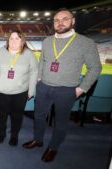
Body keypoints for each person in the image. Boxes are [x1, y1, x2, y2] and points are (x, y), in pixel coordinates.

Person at [22, 8, 102, 162]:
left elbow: (95, 67)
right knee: (39, 117)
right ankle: (37, 140)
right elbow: (42, 62)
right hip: (44, 87)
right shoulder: (47, 41)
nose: (60, 23)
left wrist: (81, 89)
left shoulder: (85, 43)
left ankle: (53, 147)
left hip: (66, 90)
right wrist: (39, 80)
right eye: (56, 20)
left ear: (73, 21)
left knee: (61, 121)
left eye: (65, 19)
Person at [0, 30, 38, 146]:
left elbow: (34, 72)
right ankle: (2, 133)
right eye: (11, 38)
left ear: (22, 40)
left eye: (17, 38)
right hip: (1, 92)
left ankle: (14, 135)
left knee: (17, 116)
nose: (14, 41)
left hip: (20, 93)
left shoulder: (29, 54)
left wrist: (31, 90)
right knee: (1, 115)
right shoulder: (1, 52)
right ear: (8, 40)